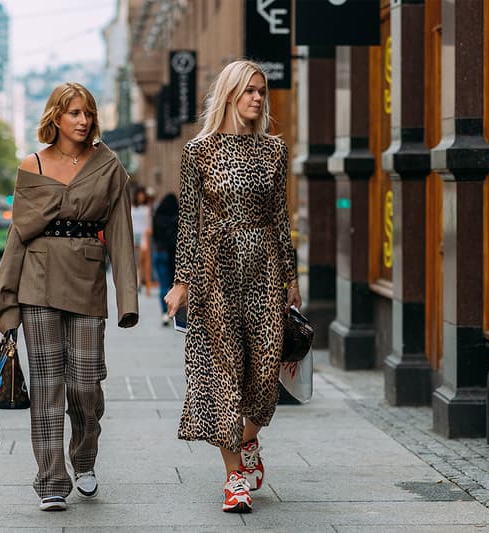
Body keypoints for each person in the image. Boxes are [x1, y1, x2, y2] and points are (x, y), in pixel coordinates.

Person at [0, 82, 138, 512]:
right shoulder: (31, 165)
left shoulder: (109, 165)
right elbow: (17, 237)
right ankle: (51, 480)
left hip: (88, 280)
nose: (83, 120)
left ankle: (84, 458)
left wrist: (127, 298)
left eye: (88, 113)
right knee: (48, 384)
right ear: (55, 116)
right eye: (74, 113)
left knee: (85, 384)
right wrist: (7, 300)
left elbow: (122, 235)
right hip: (37, 280)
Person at [164, 59, 301, 514]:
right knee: (224, 378)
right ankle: (233, 480)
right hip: (215, 272)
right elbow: (187, 224)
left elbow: (282, 219)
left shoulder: (275, 151)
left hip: (263, 268)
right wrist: (182, 282)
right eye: (249, 90)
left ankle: (248, 443)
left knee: (264, 378)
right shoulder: (198, 152)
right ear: (229, 94)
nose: (258, 98)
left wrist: (291, 279)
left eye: (262, 90)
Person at [151, 193, 178, 325]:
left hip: (160, 253)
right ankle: (173, 312)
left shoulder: (158, 217)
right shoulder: (176, 217)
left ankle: (164, 313)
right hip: (172, 255)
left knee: (162, 284)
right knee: (172, 285)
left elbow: (154, 236)